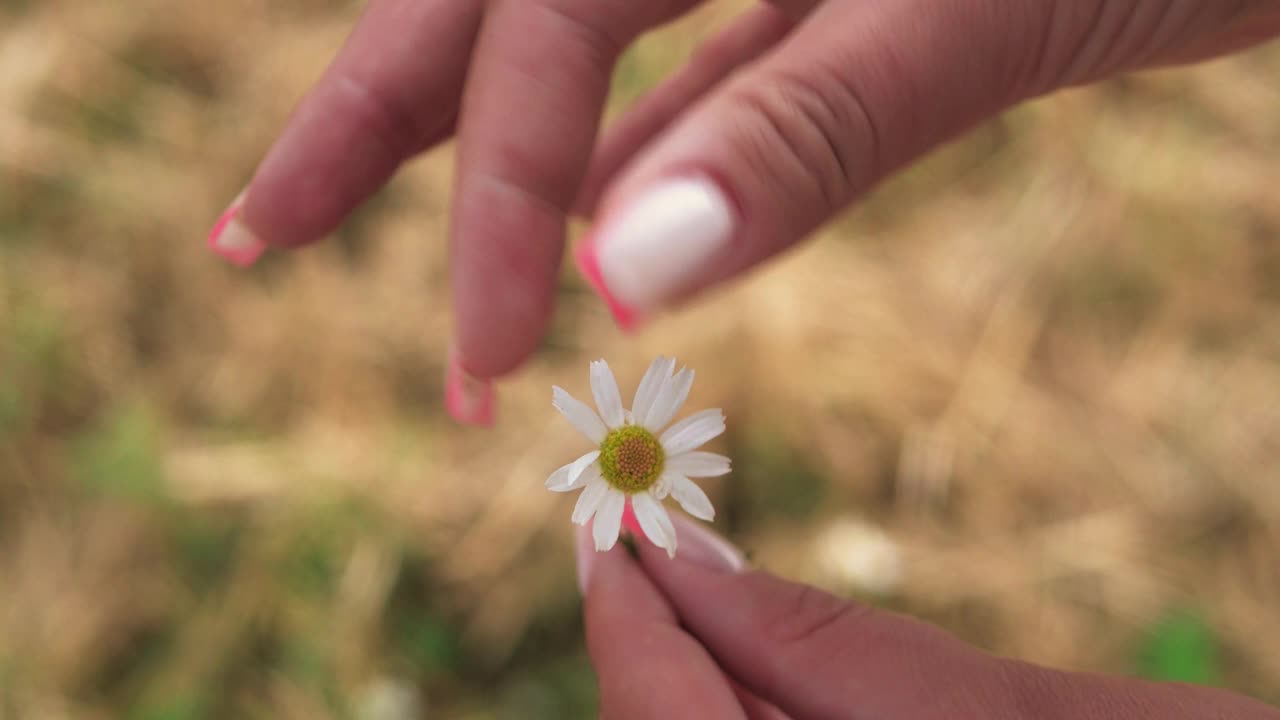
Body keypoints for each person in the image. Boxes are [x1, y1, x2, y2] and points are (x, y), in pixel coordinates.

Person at [205, 0, 1280, 715]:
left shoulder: (644, 445)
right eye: (624, 461)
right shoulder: (629, 446)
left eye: (632, 459)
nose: (627, 459)